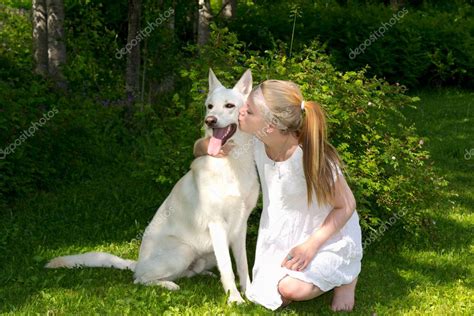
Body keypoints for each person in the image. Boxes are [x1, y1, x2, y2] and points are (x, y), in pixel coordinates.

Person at [193, 80, 363, 312]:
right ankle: (310, 273)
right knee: (270, 293)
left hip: (326, 234)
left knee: (292, 290)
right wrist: (208, 148)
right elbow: (198, 148)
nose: (241, 110)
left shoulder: (312, 158)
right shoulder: (254, 141)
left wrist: (311, 246)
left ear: (270, 126)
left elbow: (347, 205)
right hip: (285, 233)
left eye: (249, 111)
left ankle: (347, 276)